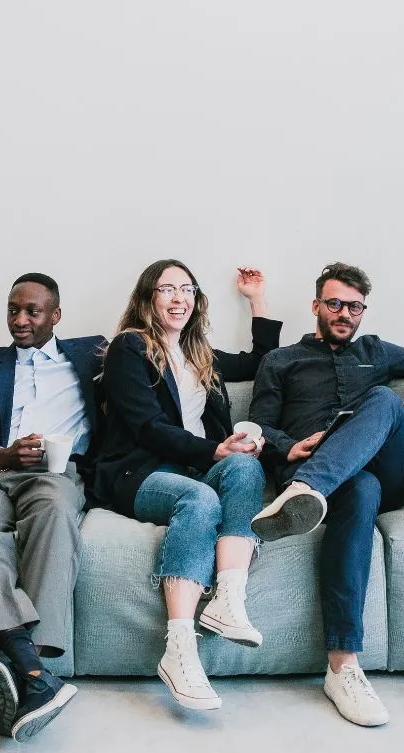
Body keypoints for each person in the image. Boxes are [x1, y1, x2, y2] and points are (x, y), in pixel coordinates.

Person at [249, 262, 404, 727]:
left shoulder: (377, 351)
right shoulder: (281, 360)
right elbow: (258, 426)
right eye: (335, 303)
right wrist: (290, 446)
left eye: (354, 306)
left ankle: (306, 490)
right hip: (342, 481)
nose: (344, 313)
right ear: (316, 306)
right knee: (361, 489)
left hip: (377, 468)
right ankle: (343, 666)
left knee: (387, 401)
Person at [95, 262, 281, 710]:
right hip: (137, 471)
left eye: (187, 289)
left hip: (195, 467)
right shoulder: (130, 348)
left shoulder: (202, 355)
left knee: (245, 470)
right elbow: (146, 425)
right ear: (148, 298)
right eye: (167, 290)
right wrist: (212, 450)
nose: (179, 298)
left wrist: (256, 300)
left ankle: (228, 601)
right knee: (199, 497)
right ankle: (179, 647)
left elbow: (260, 361)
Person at [0, 273, 105, 742]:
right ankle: (34, 672)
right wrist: (0, 455)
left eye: (32, 311)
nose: (20, 320)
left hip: (55, 473)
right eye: (13, 310)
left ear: (56, 316)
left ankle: (25, 665)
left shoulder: (93, 354)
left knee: (54, 512)